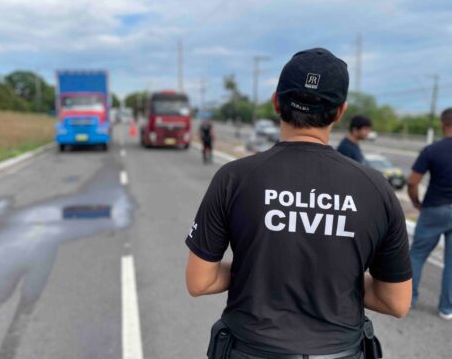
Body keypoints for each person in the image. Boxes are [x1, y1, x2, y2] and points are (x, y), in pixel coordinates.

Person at [185, 48, 412, 359]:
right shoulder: (376, 189)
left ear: (277, 101)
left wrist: (260, 271)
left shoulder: (234, 178)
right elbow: (395, 301)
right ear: (340, 111)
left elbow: (200, 281)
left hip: (249, 350)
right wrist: (333, 280)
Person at [407, 107, 452, 320]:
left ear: (444, 124)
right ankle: (446, 308)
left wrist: (417, 202)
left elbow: (412, 182)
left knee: (417, 255)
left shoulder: (432, 150)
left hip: (434, 208)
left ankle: (408, 299)